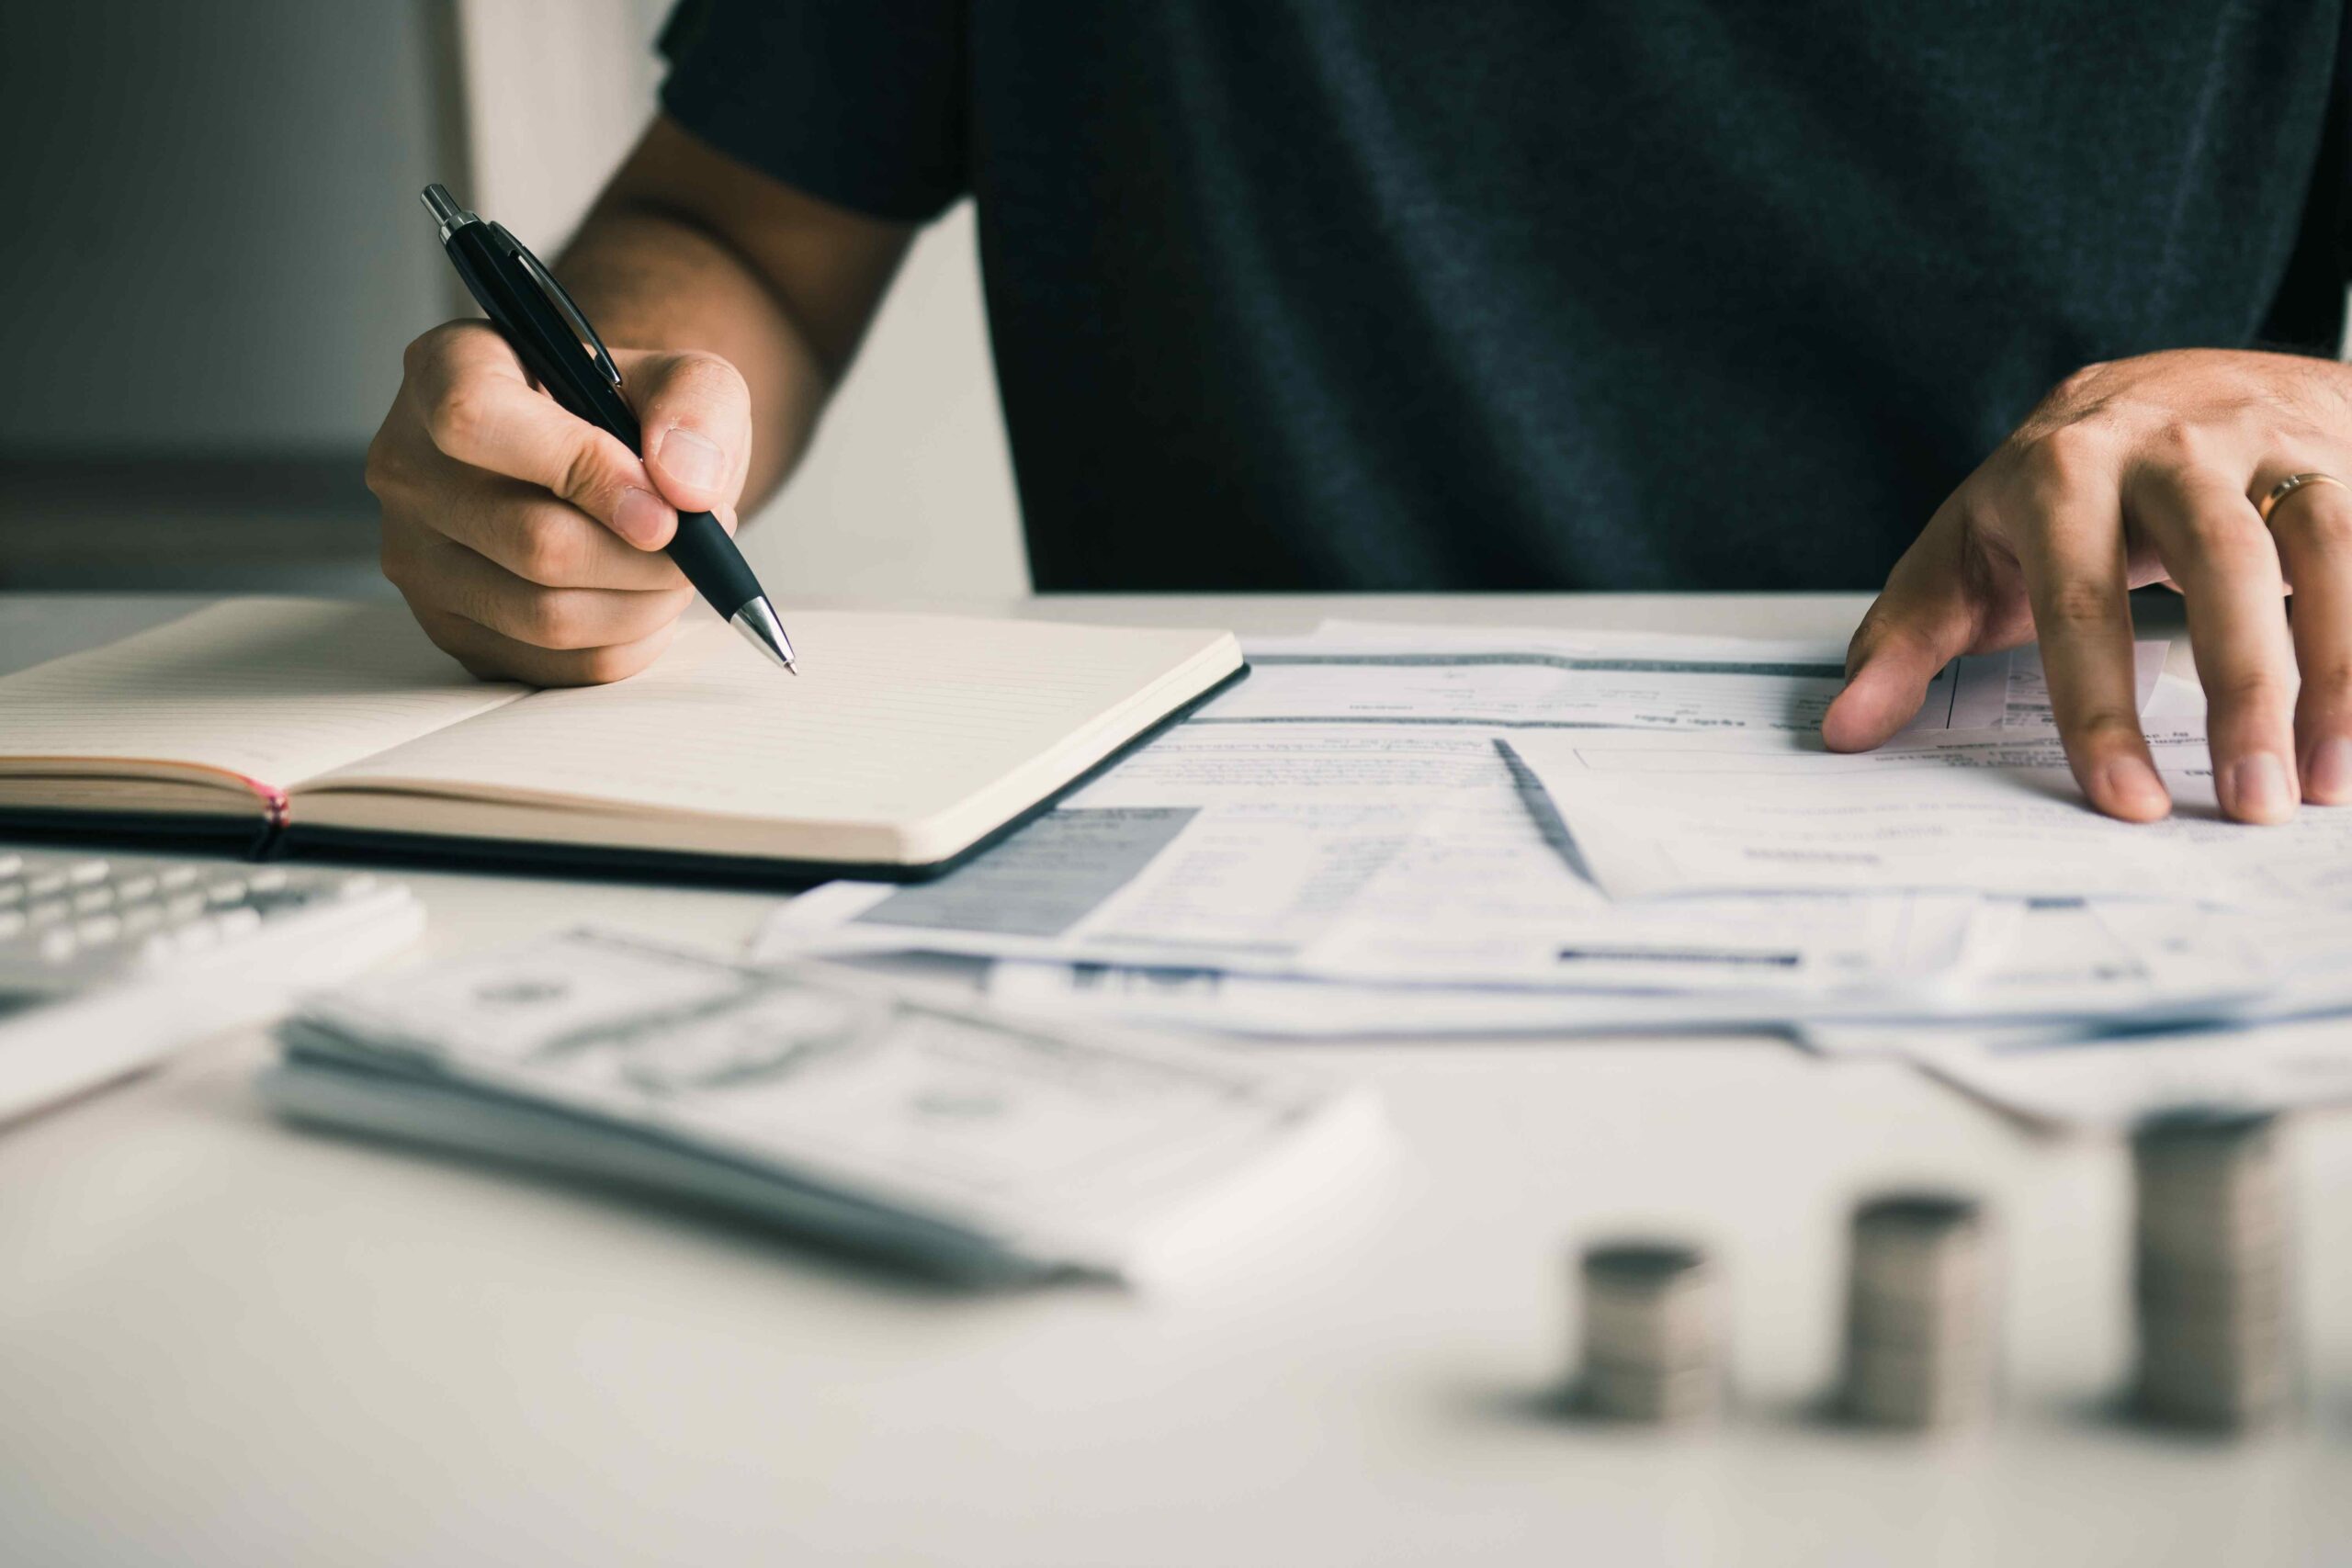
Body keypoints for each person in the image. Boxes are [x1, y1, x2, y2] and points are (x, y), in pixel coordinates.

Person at [368, 2, 2352, 827]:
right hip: (1188, 857)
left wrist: (2308, 405)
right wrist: (604, 419)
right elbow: (743, 220)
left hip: (2121, 806)